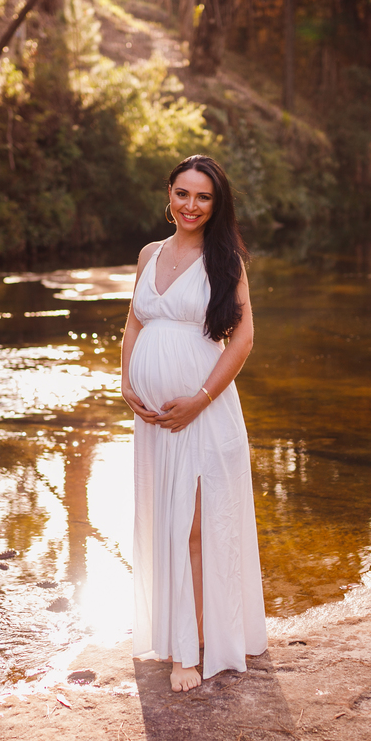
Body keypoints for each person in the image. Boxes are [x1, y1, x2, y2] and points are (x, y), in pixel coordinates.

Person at [120, 154, 268, 693]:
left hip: (204, 413)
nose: (191, 205)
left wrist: (200, 399)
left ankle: (193, 650)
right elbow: (135, 320)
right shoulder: (149, 254)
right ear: (169, 195)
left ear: (215, 203)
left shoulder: (224, 260)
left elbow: (244, 340)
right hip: (155, 419)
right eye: (183, 193)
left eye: (203, 196)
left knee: (199, 527)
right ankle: (185, 635)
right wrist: (126, 382)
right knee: (167, 522)